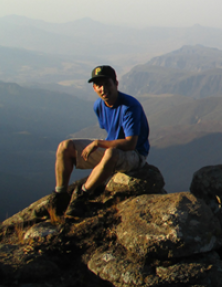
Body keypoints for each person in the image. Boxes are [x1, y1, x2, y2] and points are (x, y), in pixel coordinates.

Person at [47, 65, 150, 219]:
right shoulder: (99, 105)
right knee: (65, 147)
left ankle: (81, 196)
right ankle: (60, 194)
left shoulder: (129, 106)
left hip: (135, 154)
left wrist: (97, 144)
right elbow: (110, 131)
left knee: (110, 152)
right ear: (94, 88)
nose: (103, 89)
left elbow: (131, 144)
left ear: (116, 84)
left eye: (107, 84)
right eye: (98, 85)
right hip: (112, 148)